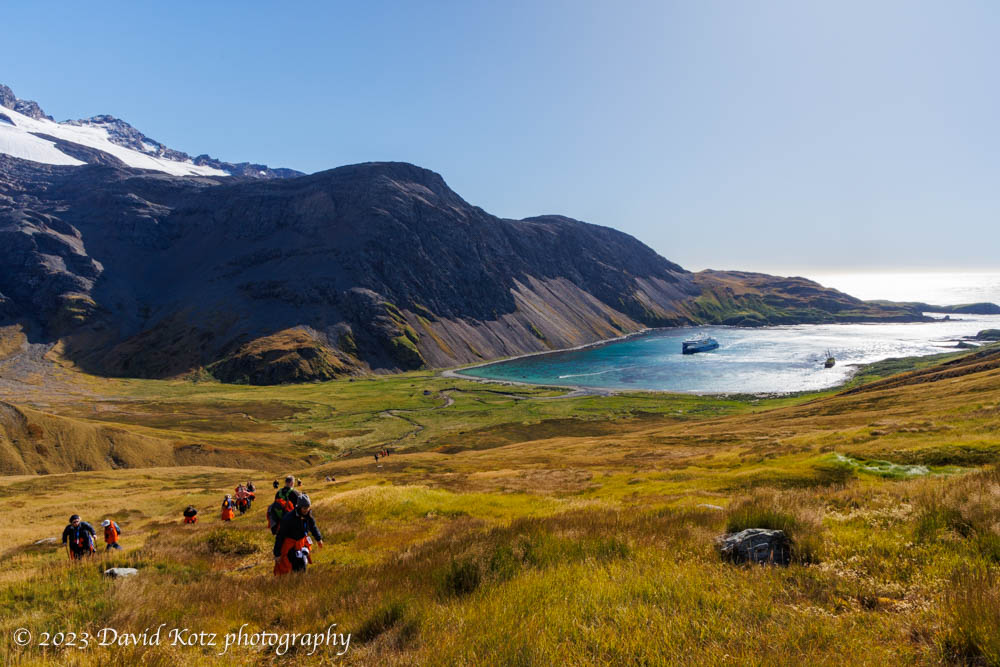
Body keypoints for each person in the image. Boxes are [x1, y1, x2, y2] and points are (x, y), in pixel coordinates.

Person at [273, 494, 323, 575]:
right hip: (290, 546)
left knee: (302, 565)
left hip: (301, 544)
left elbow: (313, 527)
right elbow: (280, 536)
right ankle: (293, 580)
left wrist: (319, 539)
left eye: (308, 507)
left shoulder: (308, 515)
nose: (306, 510)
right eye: (304, 508)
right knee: (292, 566)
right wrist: (277, 553)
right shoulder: (288, 518)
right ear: (299, 507)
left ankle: (300, 579)